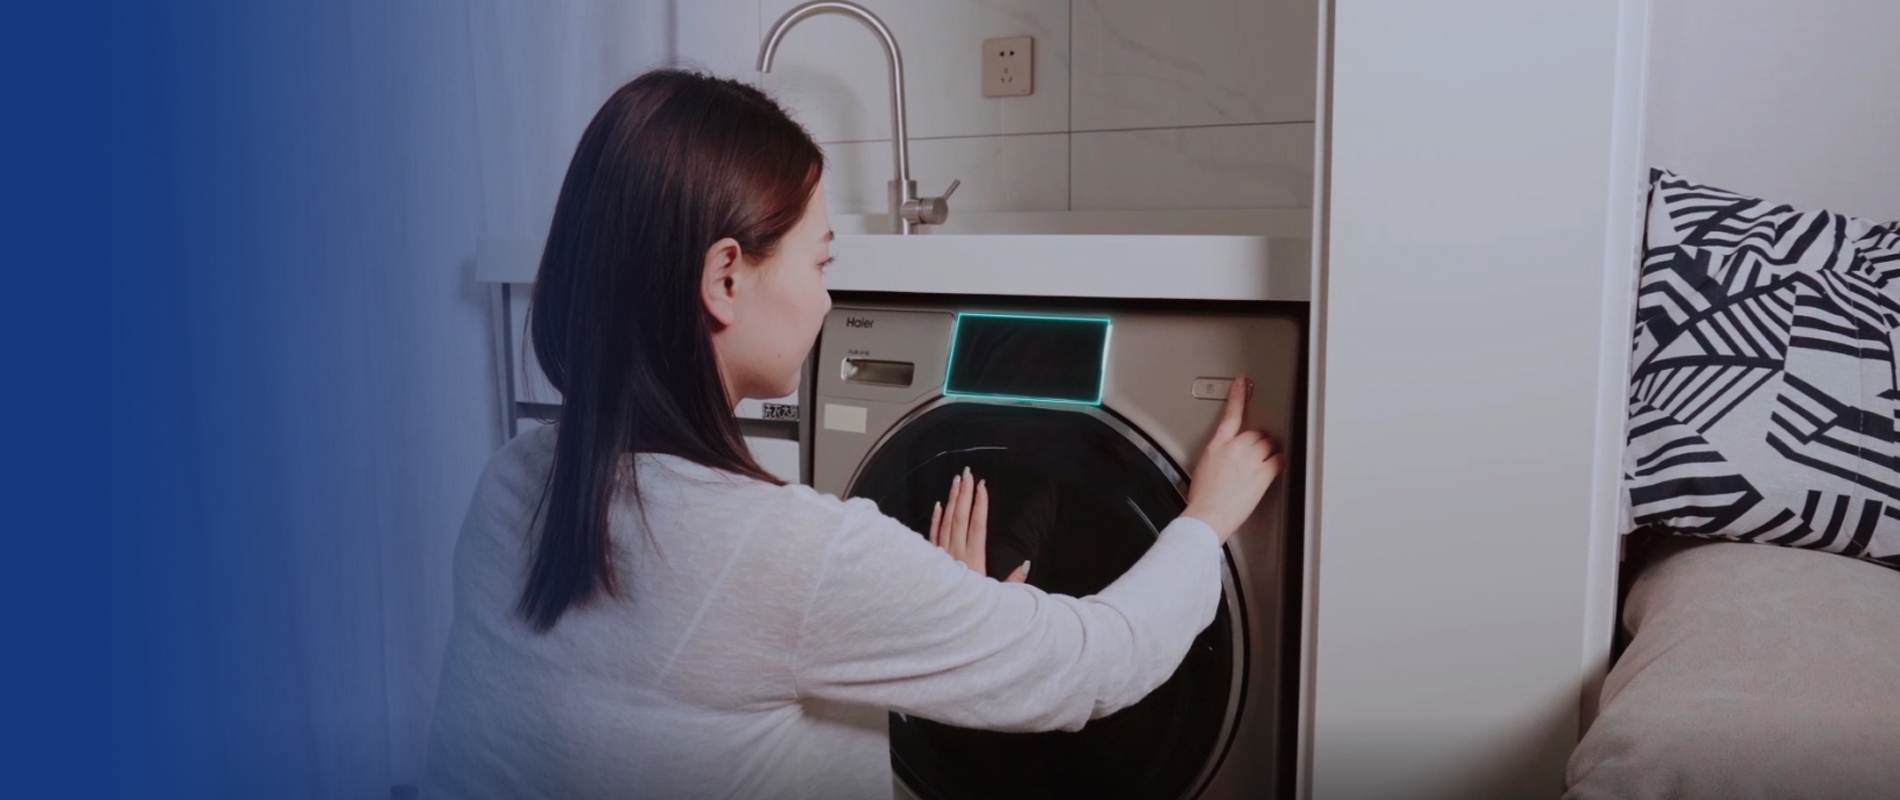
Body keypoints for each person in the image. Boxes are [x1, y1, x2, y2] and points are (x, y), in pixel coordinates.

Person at [422, 69, 1283, 800]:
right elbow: (1094, 664)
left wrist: (923, 620)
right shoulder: (793, 551)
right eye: (821, 261)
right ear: (726, 279)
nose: (829, 299)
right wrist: (1204, 521)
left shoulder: (513, 479)